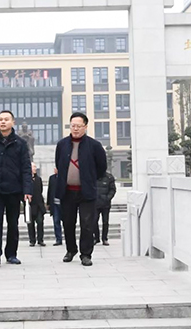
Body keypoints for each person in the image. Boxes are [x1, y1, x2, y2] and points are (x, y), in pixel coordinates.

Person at [0, 110, 32, 267]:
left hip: (14, 190)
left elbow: (26, 168)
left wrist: (27, 190)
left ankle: (11, 254)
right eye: (0, 119)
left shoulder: (20, 143)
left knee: (13, 223)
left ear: (13, 122)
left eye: (6, 119)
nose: (3, 122)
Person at [55, 112, 107, 267]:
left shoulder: (94, 145)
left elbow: (101, 168)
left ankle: (86, 254)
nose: (75, 129)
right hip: (67, 192)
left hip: (86, 192)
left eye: (79, 126)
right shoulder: (62, 145)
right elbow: (59, 164)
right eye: (73, 126)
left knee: (87, 224)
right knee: (68, 222)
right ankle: (71, 250)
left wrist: (88, 179)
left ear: (85, 126)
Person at [93, 172, 116, 246]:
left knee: (105, 222)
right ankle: (96, 238)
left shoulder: (109, 177)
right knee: (94, 221)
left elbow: (112, 190)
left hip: (105, 204)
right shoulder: (93, 175)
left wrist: (107, 198)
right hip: (95, 204)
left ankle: (104, 238)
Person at [27, 163, 46, 247]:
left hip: (38, 205)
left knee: (40, 222)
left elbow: (40, 190)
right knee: (30, 224)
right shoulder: (27, 179)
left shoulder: (39, 179)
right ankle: (32, 240)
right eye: (33, 167)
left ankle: (40, 239)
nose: (35, 168)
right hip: (30, 205)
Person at [47, 169, 62, 246]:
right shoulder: (52, 178)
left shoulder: (64, 177)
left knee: (66, 221)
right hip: (54, 203)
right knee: (56, 221)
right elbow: (49, 190)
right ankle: (58, 239)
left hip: (63, 203)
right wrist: (48, 203)